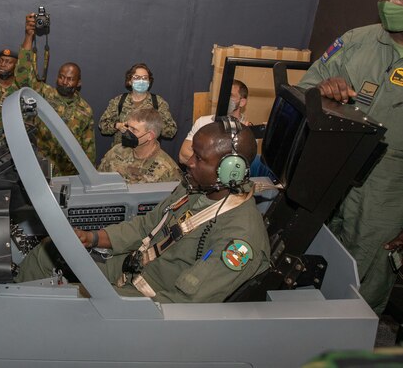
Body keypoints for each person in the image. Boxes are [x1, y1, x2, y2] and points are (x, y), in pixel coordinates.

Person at [15, 121, 270, 303]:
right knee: (48, 253)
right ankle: (14, 304)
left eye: (200, 159)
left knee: (63, 298)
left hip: (152, 301)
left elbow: (183, 304)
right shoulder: (194, 188)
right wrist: (91, 237)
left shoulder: (240, 239)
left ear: (231, 171)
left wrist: (91, 294)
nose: (189, 161)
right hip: (130, 267)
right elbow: (145, 225)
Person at [296, 0, 403, 314]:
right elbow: (302, 93)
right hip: (334, 179)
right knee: (313, 267)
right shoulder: (356, 41)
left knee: (361, 291)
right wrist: (322, 93)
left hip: (386, 199)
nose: (390, 3)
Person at [15, 13, 95, 176]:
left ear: (78, 83)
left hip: (68, 176)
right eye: (61, 77)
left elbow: (88, 149)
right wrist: (29, 36)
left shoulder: (85, 110)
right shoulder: (42, 94)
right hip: (39, 170)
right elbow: (23, 77)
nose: (64, 82)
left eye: (70, 79)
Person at [99, 63, 177, 147]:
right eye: (137, 77)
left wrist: (151, 127)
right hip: (121, 153)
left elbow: (171, 131)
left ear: (149, 82)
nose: (141, 81)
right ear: (129, 81)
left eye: (145, 78)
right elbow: (103, 126)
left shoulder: (158, 102)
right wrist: (117, 126)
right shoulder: (119, 101)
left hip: (146, 154)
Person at [98, 108, 181, 184]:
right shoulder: (116, 152)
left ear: (150, 136)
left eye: (134, 130)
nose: (126, 132)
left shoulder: (168, 171)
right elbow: (98, 182)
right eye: (127, 127)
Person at [178, 79, 249, 164]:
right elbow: (183, 155)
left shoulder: (247, 131)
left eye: (230, 95)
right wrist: (216, 165)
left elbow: (239, 164)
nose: (225, 98)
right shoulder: (203, 122)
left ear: (242, 102)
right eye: (223, 94)